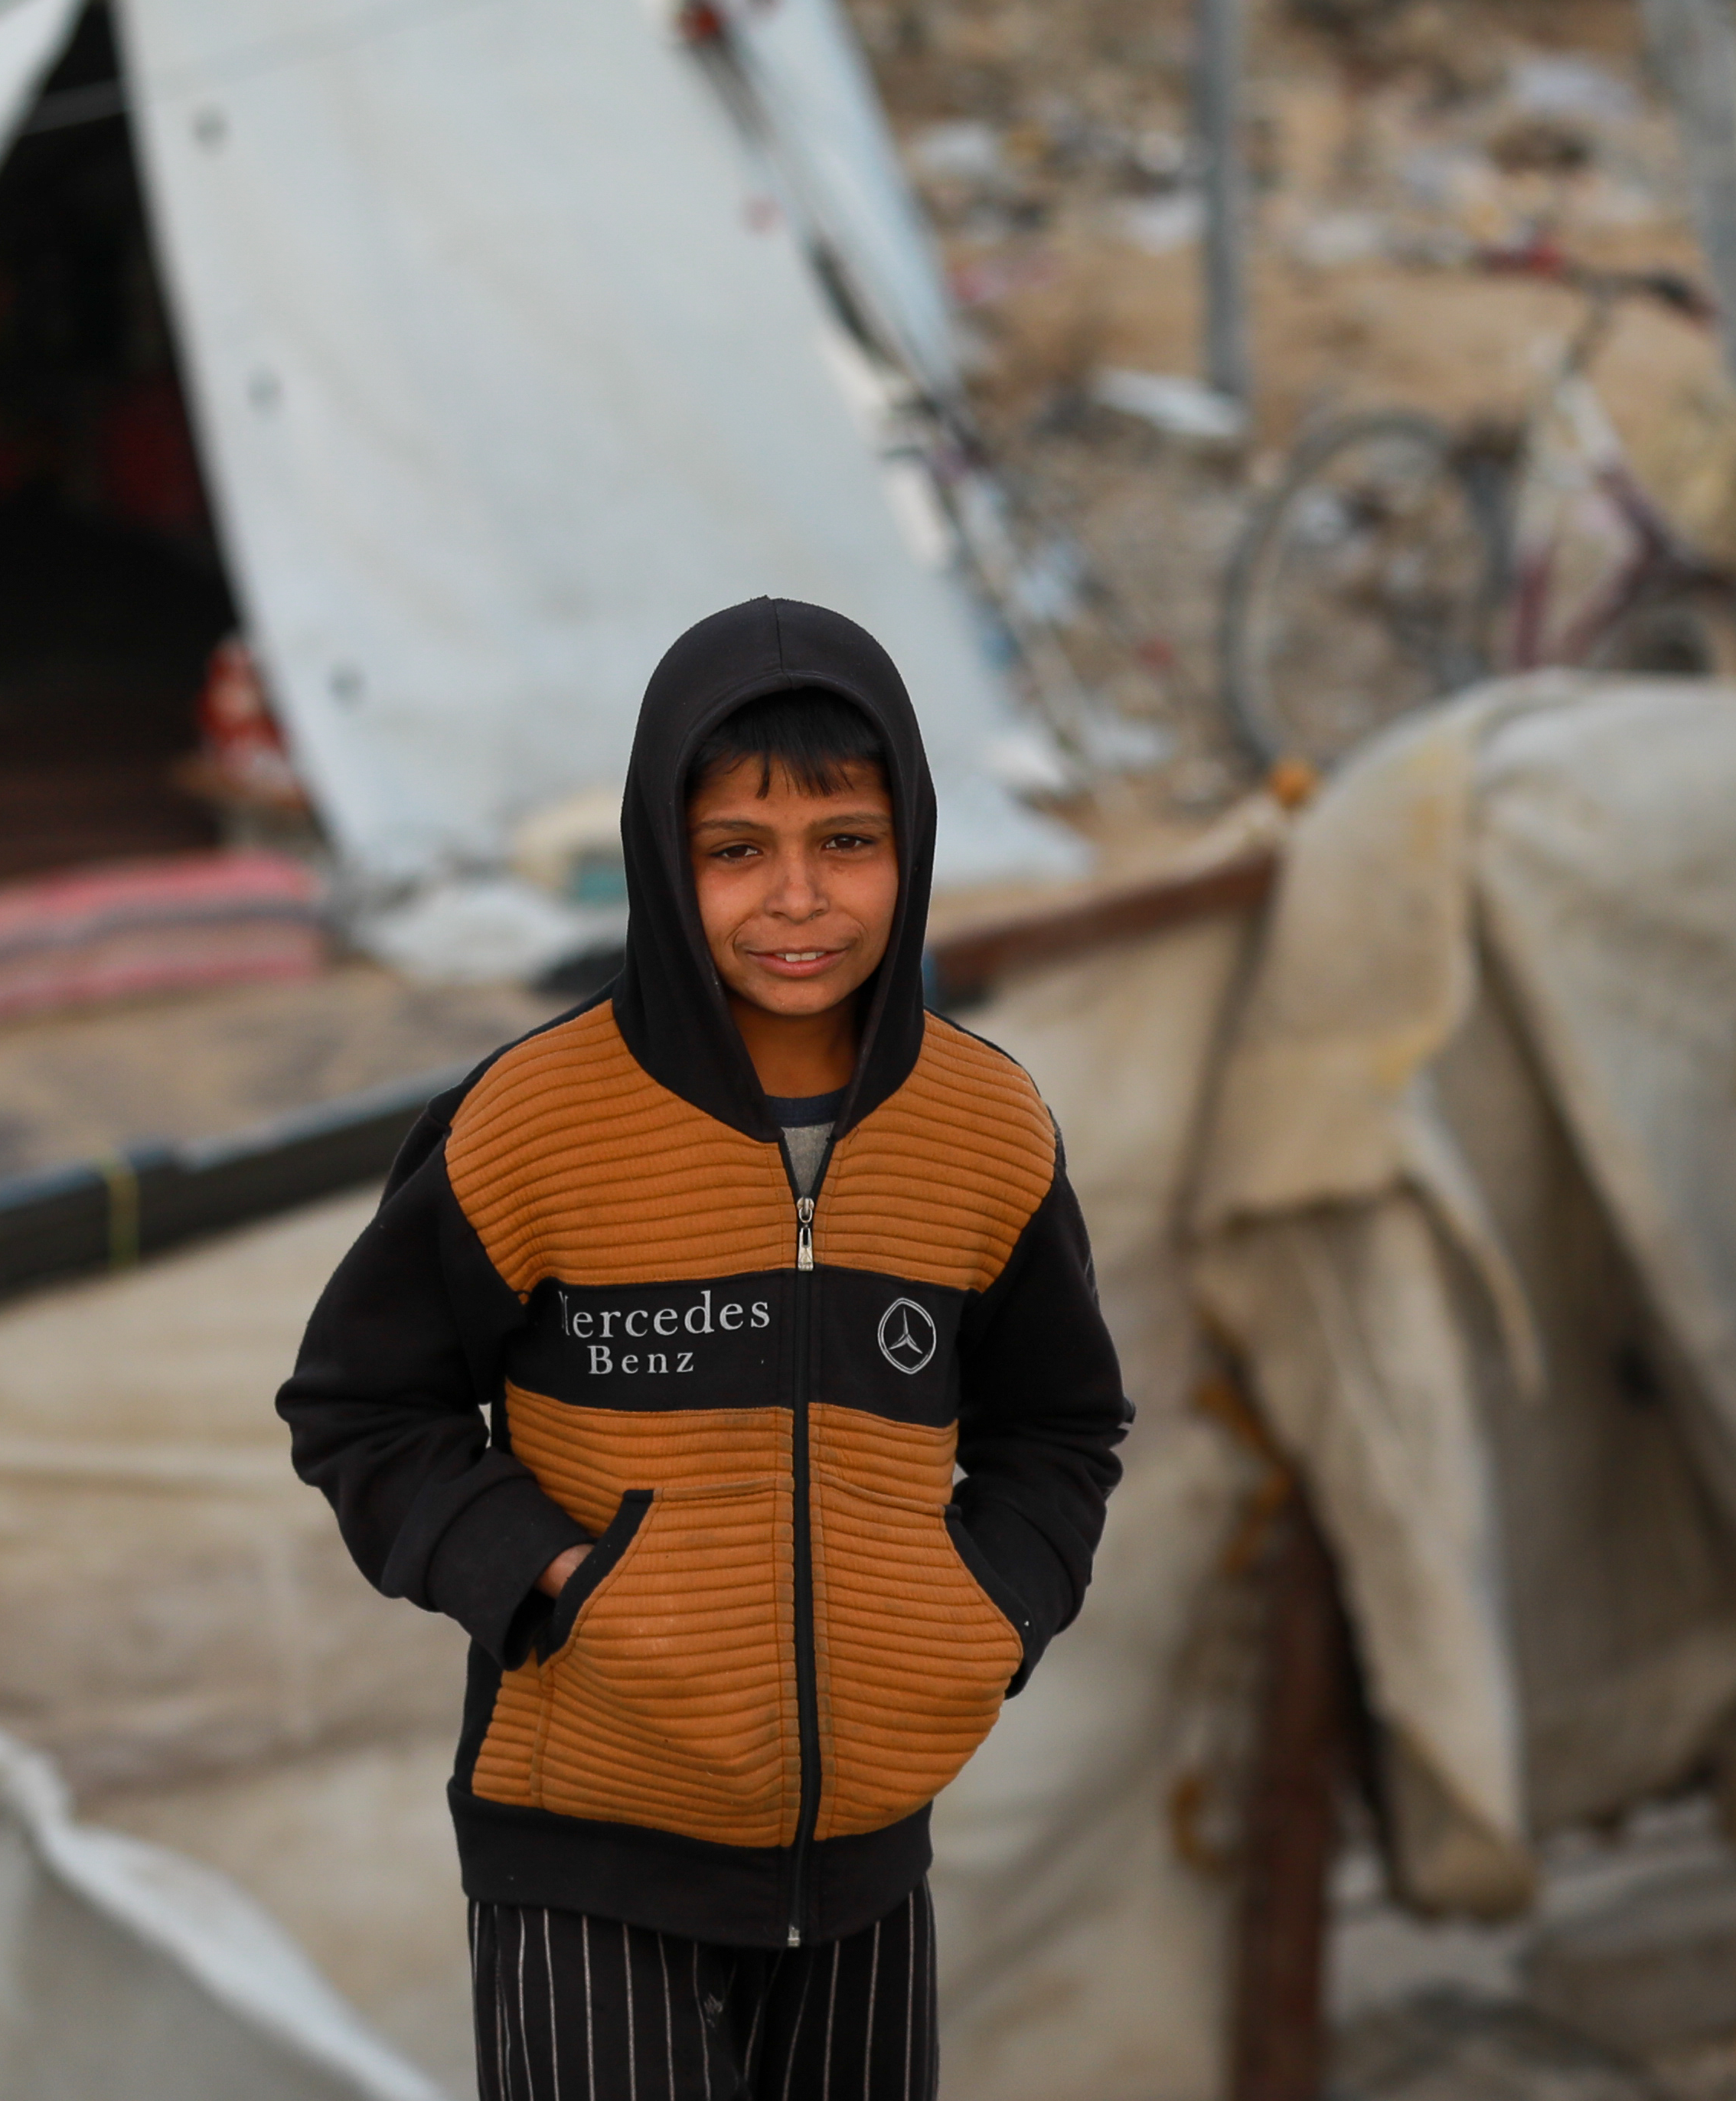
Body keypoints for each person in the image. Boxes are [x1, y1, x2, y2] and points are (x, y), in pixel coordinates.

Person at [282, 598, 1131, 2101]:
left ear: (914, 844)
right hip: (587, 1852)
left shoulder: (985, 1128)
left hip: (866, 1859)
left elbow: (1058, 1424)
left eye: (846, 840)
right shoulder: (535, 1120)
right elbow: (364, 1403)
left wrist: (984, 1607)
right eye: (737, 847)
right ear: (663, 862)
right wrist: (563, 1575)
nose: (795, 897)